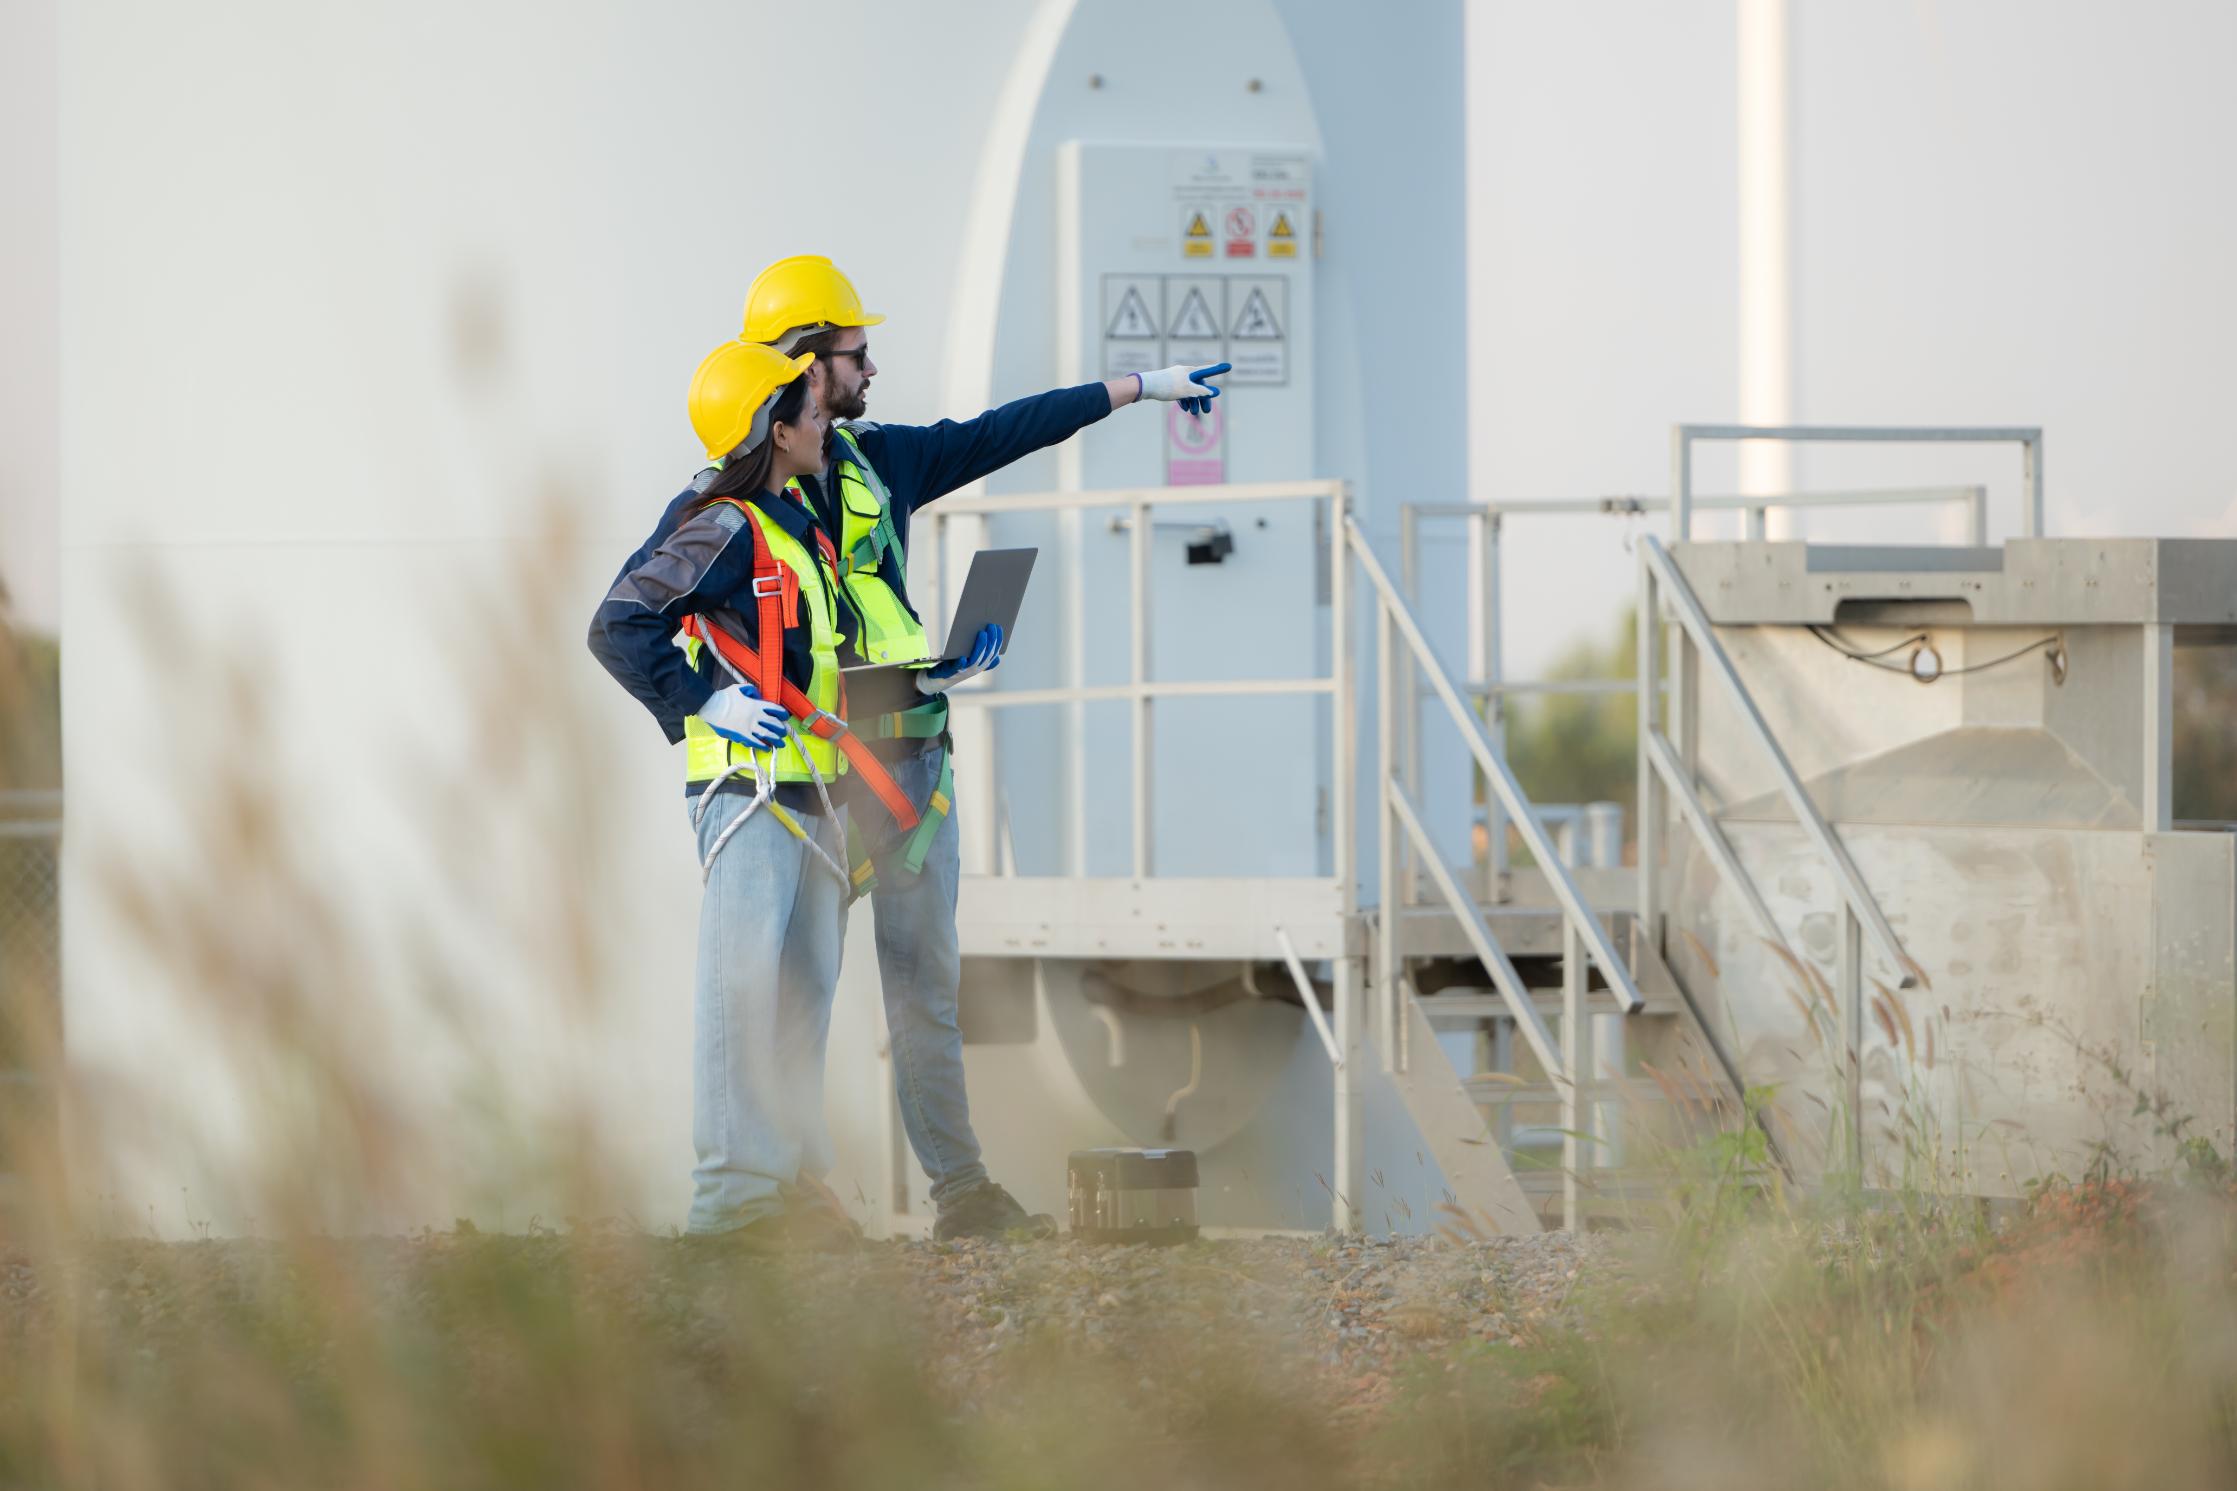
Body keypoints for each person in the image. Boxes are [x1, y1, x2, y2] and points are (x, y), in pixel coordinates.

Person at [736, 254, 1229, 1240]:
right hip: (807, 780)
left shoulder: (888, 462)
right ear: (801, 364)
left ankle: (960, 1197)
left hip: (909, 769)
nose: (872, 369)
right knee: (795, 995)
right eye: (853, 352)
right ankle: (777, 1197)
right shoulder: (731, 501)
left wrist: (1137, 389)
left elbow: (1006, 431)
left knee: (924, 999)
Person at [587, 339, 930, 1248]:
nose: (831, 427)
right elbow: (616, 625)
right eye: (814, 416)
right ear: (776, 431)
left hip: (811, 792)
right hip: (748, 794)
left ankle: (774, 1191)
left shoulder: (796, 526)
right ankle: (725, 1206)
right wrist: (705, 699)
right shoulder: (721, 525)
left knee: (805, 989)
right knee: (741, 993)